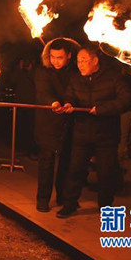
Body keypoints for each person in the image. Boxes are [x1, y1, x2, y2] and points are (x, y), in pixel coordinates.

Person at [55, 45, 131, 218]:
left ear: (95, 61)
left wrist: (102, 109)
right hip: (81, 132)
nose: (80, 65)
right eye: (78, 61)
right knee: (75, 170)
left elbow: (126, 100)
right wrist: (68, 104)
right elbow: (70, 96)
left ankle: (105, 206)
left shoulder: (113, 78)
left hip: (106, 134)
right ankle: (69, 204)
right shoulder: (76, 79)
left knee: (105, 172)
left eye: (84, 61)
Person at [34, 38, 79, 212]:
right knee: (46, 162)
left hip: (69, 122)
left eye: (60, 57)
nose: (56, 61)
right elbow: (43, 90)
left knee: (67, 162)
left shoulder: (75, 72)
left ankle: (63, 197)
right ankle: (43, 199)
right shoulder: (43, 71)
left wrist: (69, 102)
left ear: (68, 56)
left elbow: (75, 90)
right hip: (47, 123)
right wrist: (52, 102)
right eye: (53, 57)